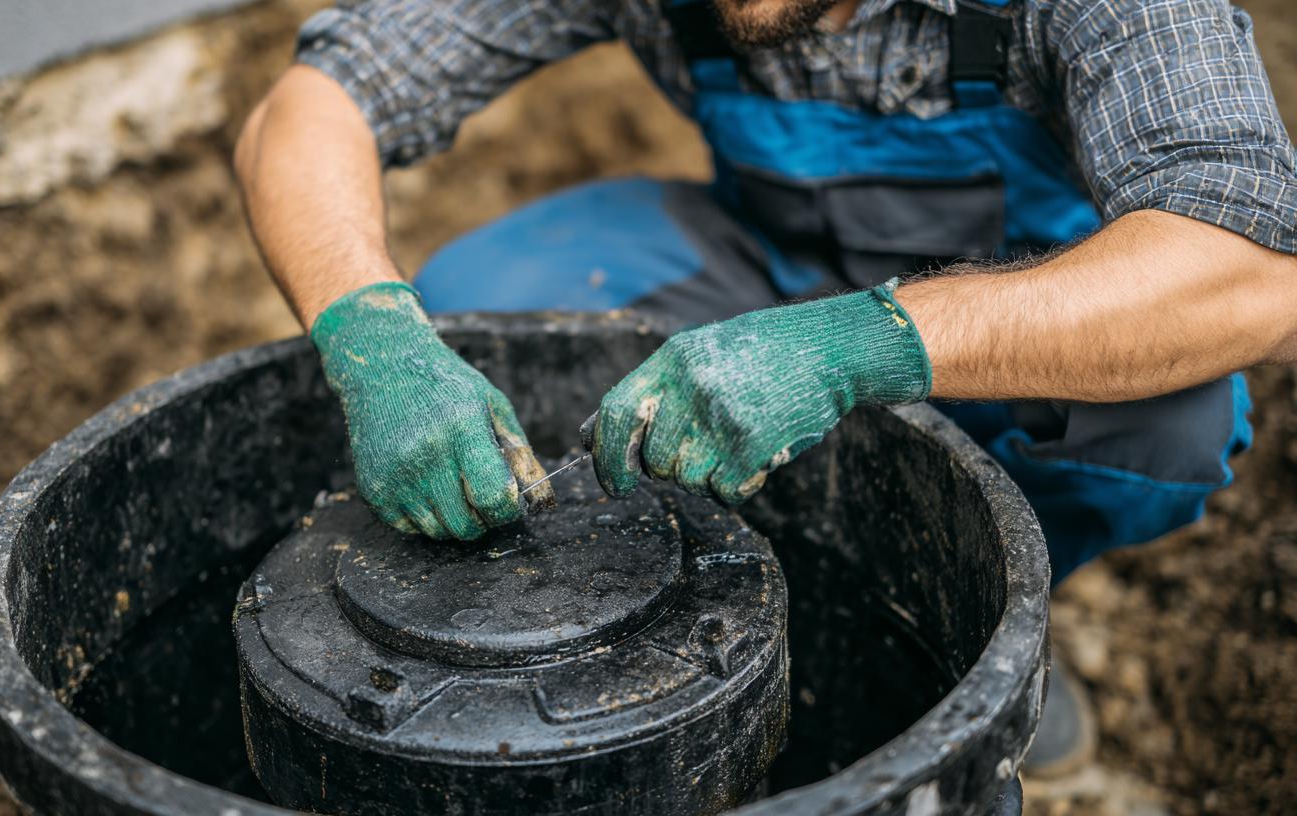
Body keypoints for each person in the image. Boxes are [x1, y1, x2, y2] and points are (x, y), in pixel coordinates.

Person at [233, 0, 1297, 778]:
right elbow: (318, 101)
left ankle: (987, 623)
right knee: (483, 303)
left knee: (1169, 416)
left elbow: (1246, 268)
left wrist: (849, 347)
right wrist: (371, 337)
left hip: (1020, 310)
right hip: (764, 255)